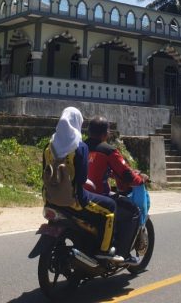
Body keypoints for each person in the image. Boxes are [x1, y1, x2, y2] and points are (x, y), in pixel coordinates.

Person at [42, 107, 123, 262]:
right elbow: (82, 178)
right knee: (110, 207)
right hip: (76, 201)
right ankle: (104, 250)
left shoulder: (48, 147)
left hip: (49, 199)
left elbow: (44, 174)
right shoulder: (80, 148)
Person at [85, 116, 148, 261]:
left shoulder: (80, 147)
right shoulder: (109, 151)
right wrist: (141, 179)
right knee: (133, 212)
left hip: (79, 195)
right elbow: (127, 175)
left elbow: (99, 169)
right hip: (99, 197)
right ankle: (124, 253)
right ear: (105, 133)